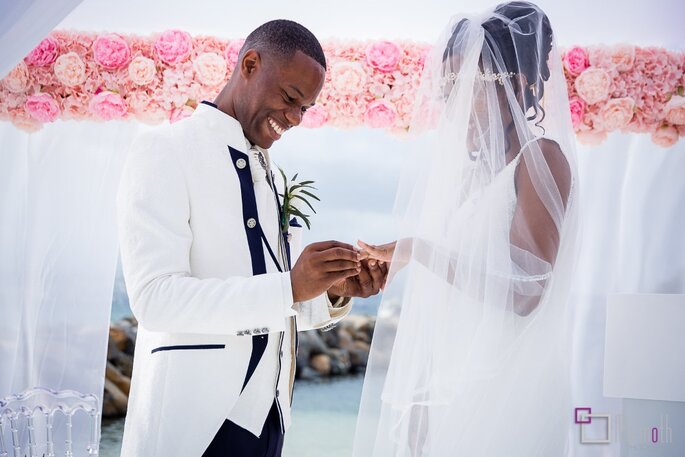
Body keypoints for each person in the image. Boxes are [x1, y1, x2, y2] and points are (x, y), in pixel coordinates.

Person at [117, 20, 387, 457]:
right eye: (290, 98)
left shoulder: (274, 174)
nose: (296, 119)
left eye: (307, 108)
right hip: (194, 425)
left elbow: (280, 300)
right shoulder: (164, 150)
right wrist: (291, 285)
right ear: (249, 64)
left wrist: (332, 292)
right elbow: (155, 299)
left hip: (270, 420)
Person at [353, 2, 580, 456]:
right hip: (453, 387)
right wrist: (424, 398)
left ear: (515, 86)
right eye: (448, 89)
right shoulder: (475, 177)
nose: (453, 105)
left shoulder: (541, 161)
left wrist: (419, 250)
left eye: (468, 88)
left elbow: (527, 289)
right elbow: (455, 297)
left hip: (506, 395)